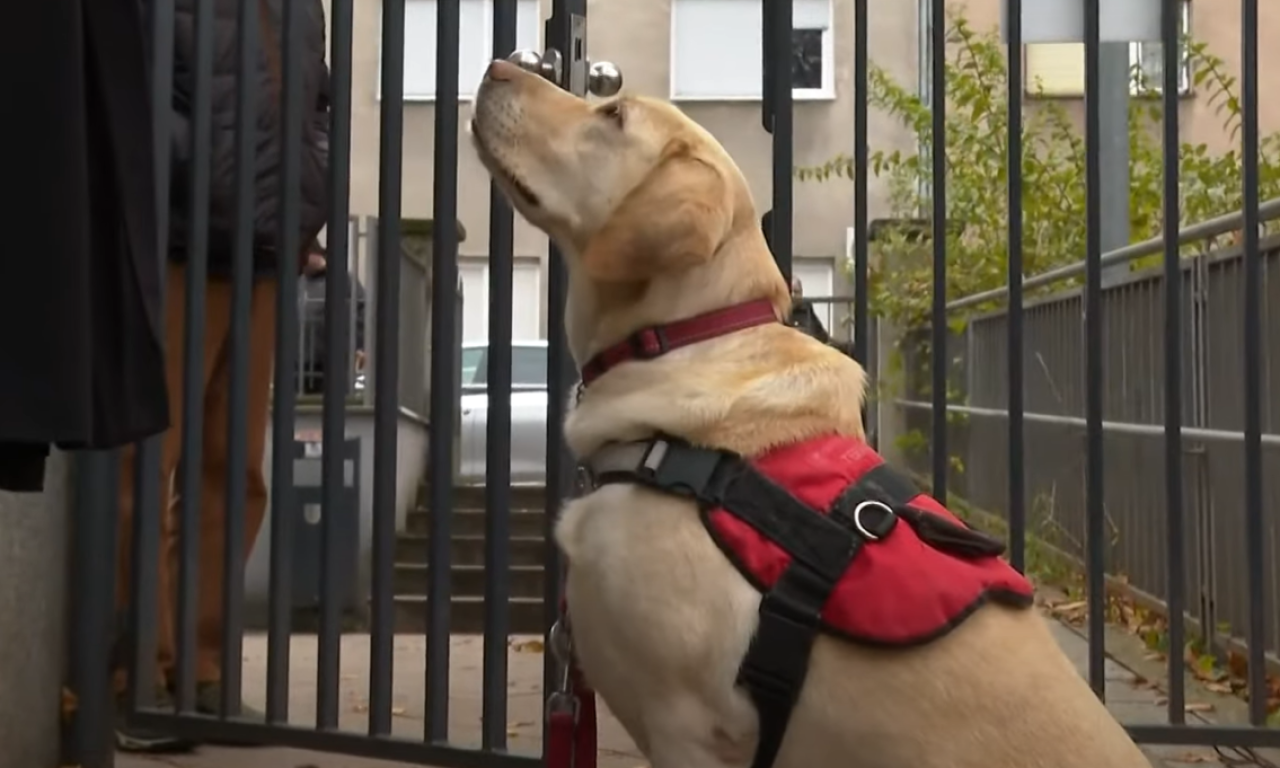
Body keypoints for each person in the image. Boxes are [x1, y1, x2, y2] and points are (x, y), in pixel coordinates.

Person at [113, 0, 332, 753]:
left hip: (266, 254)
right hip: (175, 249)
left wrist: (309, 203)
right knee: (145, 466)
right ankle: (137, 677)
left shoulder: (302, 9)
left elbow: (318, 107)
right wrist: (190, 179)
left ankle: (202, 672)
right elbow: (131, 97)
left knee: (234, 474)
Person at [298, 241, 368, 395]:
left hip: (333, 358)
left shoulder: (343, 280)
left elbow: (362, 311)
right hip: (299, 359)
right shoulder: (298, 281)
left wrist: (360, 346)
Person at [786, 277, 831, 343]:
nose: (793, 295)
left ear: (801, 293)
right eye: (790, 292)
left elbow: (821, 334)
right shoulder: (782, 312)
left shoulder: (807, 308)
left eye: (796, 292)